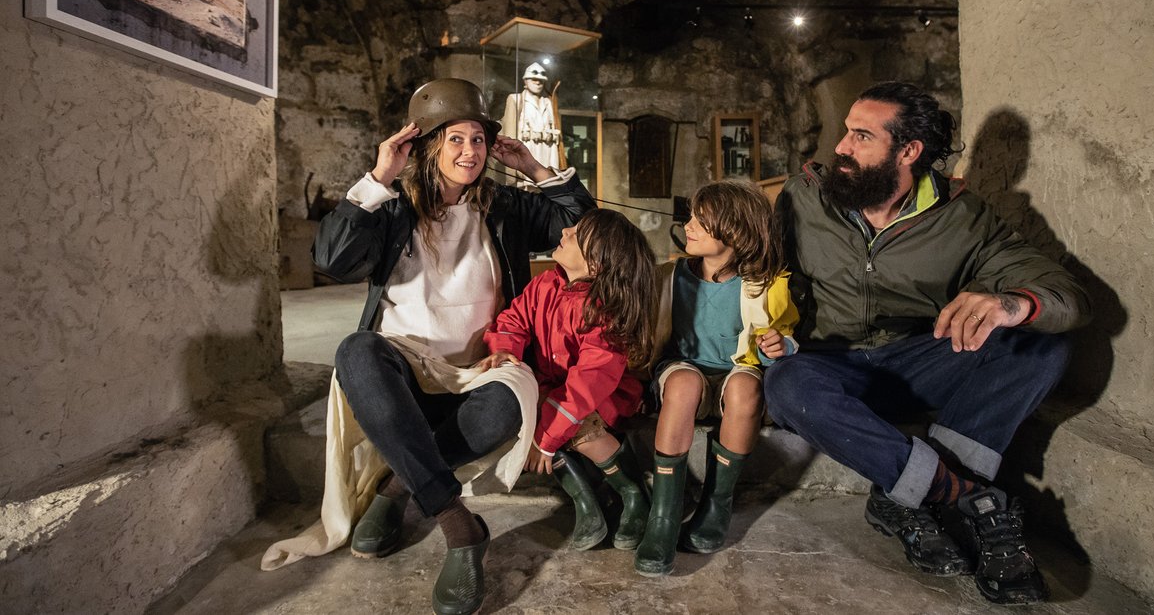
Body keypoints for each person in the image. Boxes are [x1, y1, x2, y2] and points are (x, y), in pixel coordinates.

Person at [260, 78, 595, 615]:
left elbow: (582, 227)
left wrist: (535, 169)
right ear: (428, 146)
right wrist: (378, 177)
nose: (470, 152)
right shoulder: (391, 208)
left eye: (479, 140)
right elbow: (332, 259)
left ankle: (397, 490)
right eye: (456, 139)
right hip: (405, 369)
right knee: (355, 352)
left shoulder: (505, 205)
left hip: (478, 371)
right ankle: (460, 526)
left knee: (509, 404)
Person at [766, 81, 1091, 605]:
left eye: (861, 136)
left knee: (1041, 346)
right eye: (846, 132)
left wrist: (1012, 305)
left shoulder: (964, 217)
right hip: (829, 367)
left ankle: (901, 496)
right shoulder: (804, 197)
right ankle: (961, 495)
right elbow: (749, 262)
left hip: (920, 363)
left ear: (908, 151)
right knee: (787, 384)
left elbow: (1066, 297)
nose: (841, 147)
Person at [634, 180, 798, 577]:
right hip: (682, 370)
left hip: (735, 369)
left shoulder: (765, 283)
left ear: (735, 232)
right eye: (691, 216)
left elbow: (785, 332)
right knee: (685, 384)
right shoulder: (669, 277)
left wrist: (780, 346)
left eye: (700, 221)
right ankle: (665, 512)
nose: (688, 225)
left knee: (746, 388)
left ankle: (716, 502)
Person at [481, 208, 657, 553]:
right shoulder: (546, 283)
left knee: (577, 430)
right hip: (555, 388)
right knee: (532, 412)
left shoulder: (604, 311)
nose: (564, 231)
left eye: (576, 235)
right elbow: (513, 320)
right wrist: (505, 350)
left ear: (597, 264)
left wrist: (544, 441)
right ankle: (587, 502)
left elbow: (587, 385)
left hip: (598, 398)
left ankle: (633, 491)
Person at [503, 62, 560, 169]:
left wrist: (554, 166)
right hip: (526, 156)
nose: (538, 82)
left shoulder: (547, 102)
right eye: (534, 79)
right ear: (526, 81)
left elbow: (553, 135)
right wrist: (513, 168)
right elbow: (509, 135)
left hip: (546, 157)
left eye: (541, 80)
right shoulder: (516, 99)